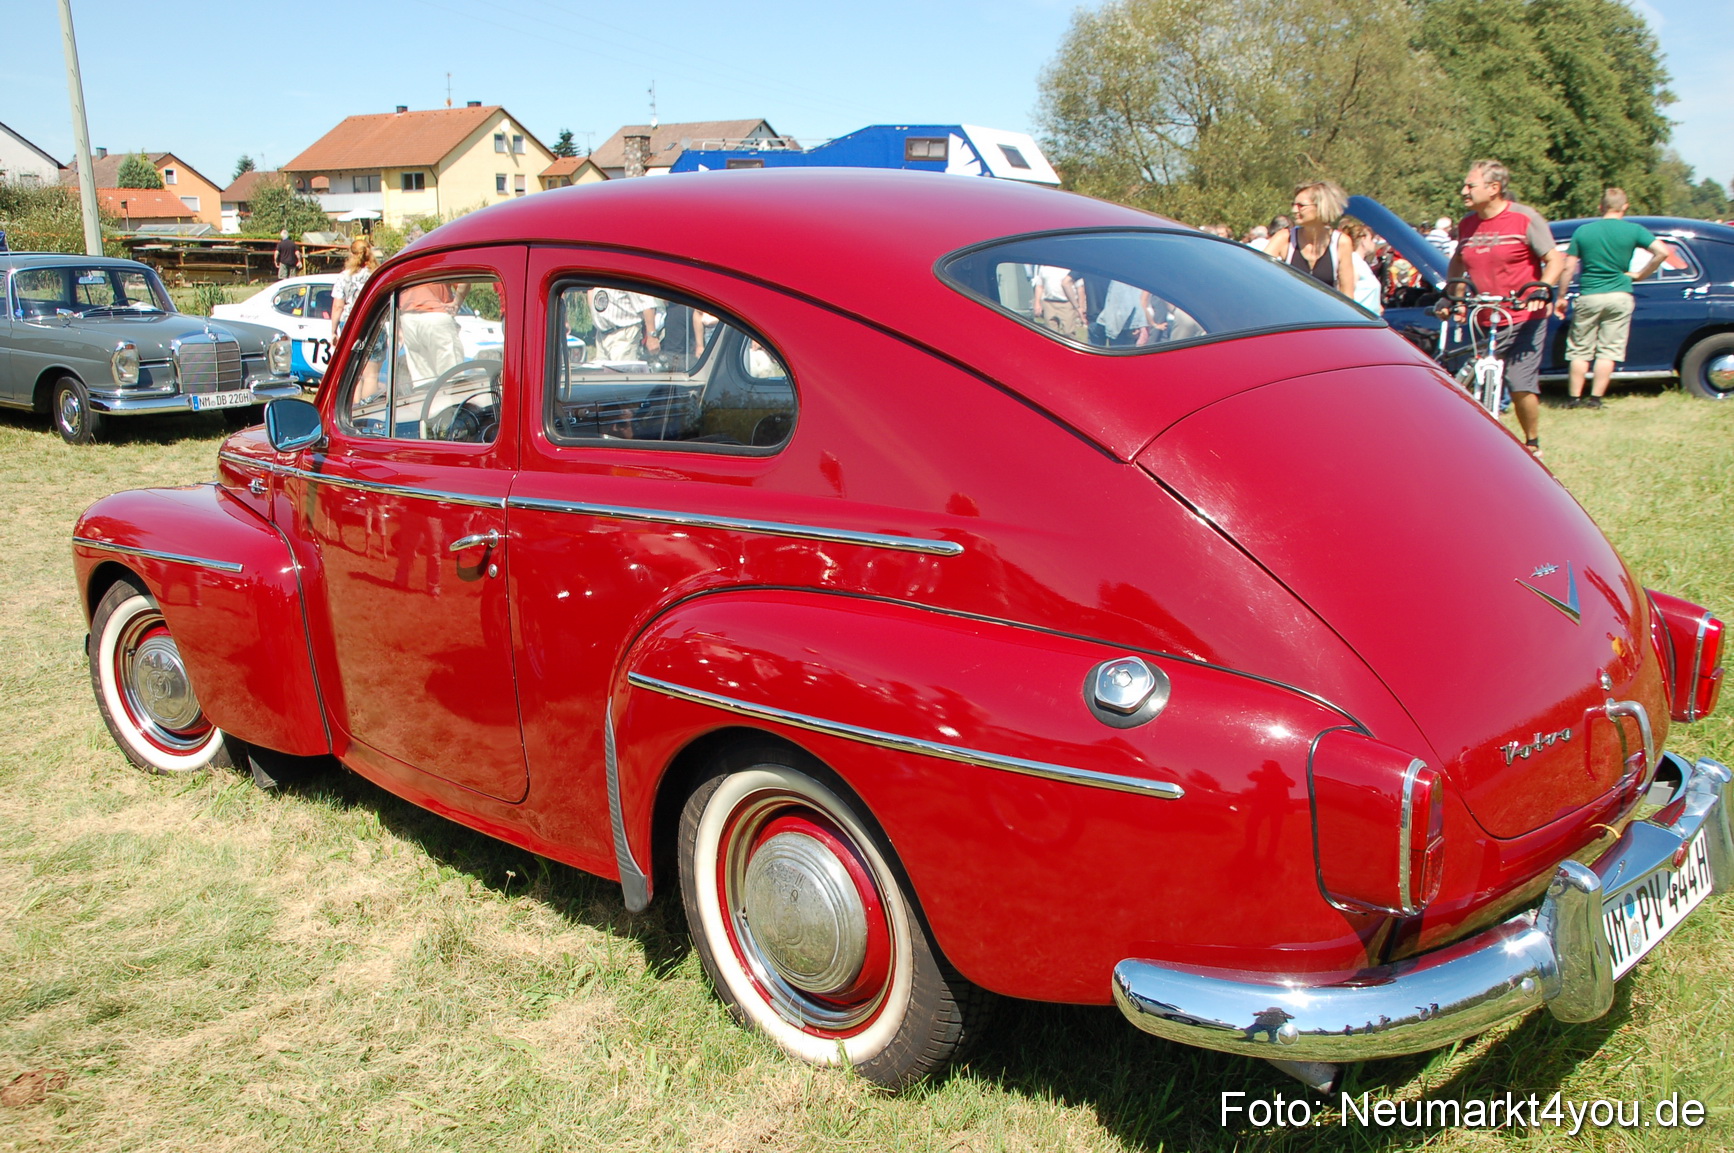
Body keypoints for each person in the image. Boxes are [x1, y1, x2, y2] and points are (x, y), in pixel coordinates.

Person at [1445, 159, 1568, 456]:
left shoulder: (1524, 219)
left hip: (1524, 314)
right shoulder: (1467, 224)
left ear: (1494, 188)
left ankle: (1532, 443)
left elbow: (1555, 260)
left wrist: (1541, 288)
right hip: (1484, 315)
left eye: (1470, 185)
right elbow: (1459, 261)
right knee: (1467, 377)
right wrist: (1453, 296)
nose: (1464, 190)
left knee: (1518, 380)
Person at [1555, 188, 1671, 409]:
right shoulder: (1634, 230)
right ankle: (1596, 400)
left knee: (1580, 349)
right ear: (1625, 207)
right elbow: (1662, 253)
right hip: (1620, 294)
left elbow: (1568, 267)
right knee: (1608, 350)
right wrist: (1641, 275)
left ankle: (1574, 399)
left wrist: (1561, 296)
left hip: (1590, 294)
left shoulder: (1584, 231)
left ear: (1601, 207)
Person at [1263, 181, 1357, 299]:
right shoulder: (1284, 238)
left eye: (1301, 206)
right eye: (1293, 204)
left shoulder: (1341, 243)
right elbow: (1259, 272)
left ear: (1321, 207)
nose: (1294, 210)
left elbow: (1347, 295)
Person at [397, 280, 468, 383]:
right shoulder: (441, 262)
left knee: (422, 381)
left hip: (408, 317)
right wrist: (457, 302)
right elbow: (464, 281)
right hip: (436, 314)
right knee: (452, 379)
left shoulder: (406, 263)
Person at [332, 237, 377, 337]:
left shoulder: (344, 276)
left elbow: (338, 306)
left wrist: (333, 331)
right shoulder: (376, 275)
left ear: (352, 255)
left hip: (349, 323)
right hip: (373, 321)